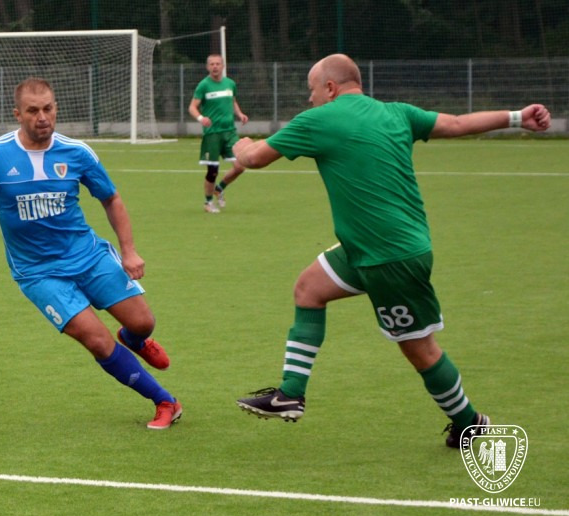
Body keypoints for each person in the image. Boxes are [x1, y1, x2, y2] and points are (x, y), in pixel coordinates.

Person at [232, 54, 551, 448]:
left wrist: (241, 145)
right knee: (309, 289)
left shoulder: (318, 119)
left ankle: (470, 424)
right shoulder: (397, 113)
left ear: (330, 88)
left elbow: (254, 159)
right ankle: (290, 394)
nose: (309, 99)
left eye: (311, 90)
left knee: (420, 350)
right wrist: (517, 117)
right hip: (368, 248)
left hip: (389, 258)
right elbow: (455, 124)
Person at [0, 78, 182, 430]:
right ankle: (165, 401)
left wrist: (129, 251)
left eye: (48, 108)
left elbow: (111, 198)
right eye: (33, 111)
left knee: (142, 322)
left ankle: (134, 339)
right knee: (97, 340)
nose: (42, 117)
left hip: (88, 256)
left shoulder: (77, 152)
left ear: (56, 108)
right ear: (17, 114)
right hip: (38, 272)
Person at [188, 54, 249, 213]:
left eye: (217, 64)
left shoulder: (230, 84)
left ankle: (219, 188)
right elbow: (192, 107)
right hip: (212, 134)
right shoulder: (203, 85)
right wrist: (201, 118)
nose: (215, 66)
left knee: (240, 166)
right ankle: (208, 203)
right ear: (207, 67)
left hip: (230, 132)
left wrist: (239, 113)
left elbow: (232, 101)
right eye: (212, 64)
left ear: (223, 66)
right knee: (212, 171)